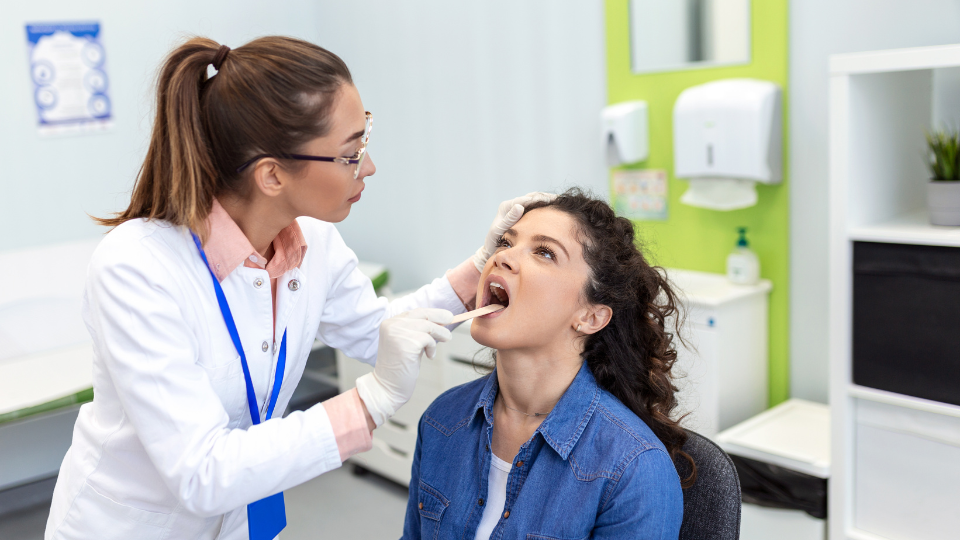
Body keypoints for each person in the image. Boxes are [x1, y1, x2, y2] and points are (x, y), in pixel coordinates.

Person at [44, 36, 551, 540]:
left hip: (237, 518)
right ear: (271, 175)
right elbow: (201, 472)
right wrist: (368, 402)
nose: (368, 167)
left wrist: (478, 267)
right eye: (351, 153)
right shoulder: (137, 268)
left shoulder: (314, 242)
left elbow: (379, 332)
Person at [402, 189, 695, 539]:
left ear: (590, 316)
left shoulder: (634, 469)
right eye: (505, 242)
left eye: (544, 252)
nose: (503, 257)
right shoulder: (442, 418)